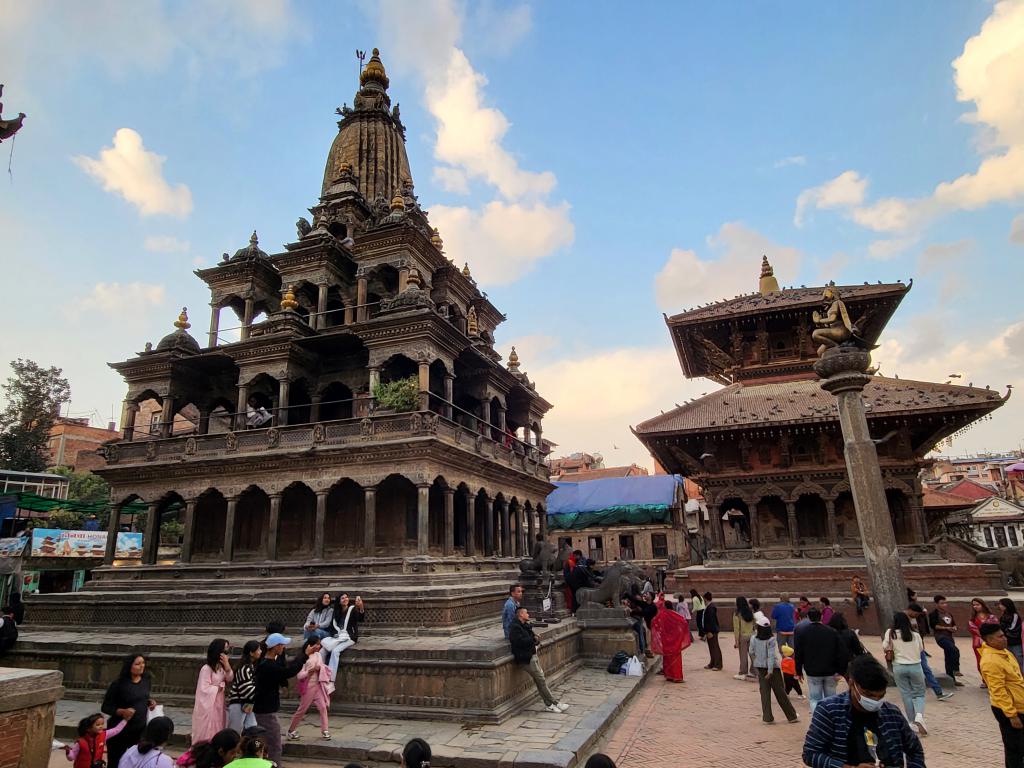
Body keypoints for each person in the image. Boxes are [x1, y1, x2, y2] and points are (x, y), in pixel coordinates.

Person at [803, 654, 925, 768]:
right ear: (852, 683)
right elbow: (811, 754)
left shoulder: (892, 714)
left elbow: (915, 750)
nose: (875, 701)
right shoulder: (829, 710)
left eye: (880, 696)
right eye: (869, 695)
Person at [253, 632, 305, 766]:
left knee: (263, 741)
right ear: (275, 647)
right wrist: (304, 656)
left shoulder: (267, 663)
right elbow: (288, 672)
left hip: (263, 709)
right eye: (281, 645)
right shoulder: (268, 665)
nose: (283, 648)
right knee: (275, 744)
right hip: (266, 711)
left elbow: (285, 670)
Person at [979, 622, 1024, 768]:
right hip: (1009, 710)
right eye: (1000, 637)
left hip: (1019, 705)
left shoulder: (1005, 653)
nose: (1004, 638)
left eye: (1003, 635)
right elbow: (998, 690)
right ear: (990, 640)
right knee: (1015, 749)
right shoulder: (990, 661)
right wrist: (1012, 715)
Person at [102, 653, 157, 768]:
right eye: (137, 664)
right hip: (120, 731)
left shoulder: (146, 680)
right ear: (129, 666)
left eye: (143, 663)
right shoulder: (118, 684)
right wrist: (122, 711)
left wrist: (149, 702)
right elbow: (106, 707)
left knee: (136, 761)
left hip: (139, 730)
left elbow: (142, 697)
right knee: (115, 762)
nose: (141, 666)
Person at [509, 606, 567, 712]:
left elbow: (533, 640)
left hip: (533, 655)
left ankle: (549, 705)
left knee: (540, 680)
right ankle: (555, 702)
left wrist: (534, 638)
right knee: (541, 680)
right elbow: (519, 642)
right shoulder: (515, 627)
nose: (528, 615)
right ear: (521, 614)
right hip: (526, 659)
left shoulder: (526, 625)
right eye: (526, 613)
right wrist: (532, 638)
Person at [883, 612, 928, 735]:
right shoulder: (915, 634)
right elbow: (921, 649)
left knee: (906, 694)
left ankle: (911, 721)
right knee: (919, 693)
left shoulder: (890, 633)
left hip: (899, 666)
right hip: (915, 665)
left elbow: (885, 646)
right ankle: (919, 715)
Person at [794, 608, 846, 714]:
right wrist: (841, 670)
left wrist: (798, 671)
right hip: (830, 670)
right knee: (831, 699)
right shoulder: (832, 632)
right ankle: (832, 721)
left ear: (808, 617)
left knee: (815, 699)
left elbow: (798, 653)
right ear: (821, 617)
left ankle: (818, 721)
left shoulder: (802, 632)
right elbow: (841, 652)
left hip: (812, 671)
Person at [748, 617, 799, 724]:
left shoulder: (753, 639)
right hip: (773, 670)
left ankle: (767, 717)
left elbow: (751, 652)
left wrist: (756, 662)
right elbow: (771, 656)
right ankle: (791, 716)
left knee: (764, 692)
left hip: (760, 668)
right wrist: (770, 671)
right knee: (780, 692)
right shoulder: (771, 639)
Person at [905, 603, 954, 703]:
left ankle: (939, 692)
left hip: (919, 647)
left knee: (926, 669)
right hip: (908, 649)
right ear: (910, 610)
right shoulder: (901, 618)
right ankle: (911, 695)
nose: (916, 615)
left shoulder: (917, 618)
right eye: (915, 613)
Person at [287, 638, 333, 741]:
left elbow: (322, 666)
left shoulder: (318, 655)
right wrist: (309, 672)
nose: (319, 646)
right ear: (310, 645)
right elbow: (299, 675)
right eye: (317, 644)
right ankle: (291, 730)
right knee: (302, 709)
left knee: (323, 707)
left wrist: (319, 668)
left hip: (318, 685)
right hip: (308, 686)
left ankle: (325, 730)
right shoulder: (303, 658)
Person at [192, 638, 234, 744]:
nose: (226, 654)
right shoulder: (206, 669)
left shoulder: (221, 668)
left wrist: (227, 666)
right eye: (224, 651)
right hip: (209, 704)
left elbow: (230, 678)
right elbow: (203, 689)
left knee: (219, 724)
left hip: (219, 703)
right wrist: (218, 688)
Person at [322, 593, 365, 680]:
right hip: (338, 637)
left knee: (335, 651)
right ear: (339, 602)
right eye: (342, 598)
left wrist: (361, 607)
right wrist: (334, 634)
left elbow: (360, 618)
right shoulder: (336, 612)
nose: (345, 599)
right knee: (323, 650)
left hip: (350, 637)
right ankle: (319, 674)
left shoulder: (352, 609)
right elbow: (332, 627)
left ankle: (329, 679)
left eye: (346, 597)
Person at [652, 598, 692, 682]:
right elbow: (684, 622)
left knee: (667, 657)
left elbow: (654, 622)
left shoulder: (662, 615)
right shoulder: (675, 615)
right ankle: (676, 676)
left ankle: (669, 675)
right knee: (676, 658)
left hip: (665, 639)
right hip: (674, 639)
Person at [929, 594, 964, 685]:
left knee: (948, 657)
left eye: (945, 603)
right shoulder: (933, 614)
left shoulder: (949, 614)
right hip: (941, 637)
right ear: (937, 604)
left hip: (950, 637)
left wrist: (954, 628)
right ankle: (956, 669)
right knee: (955, 650)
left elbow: (953, 624)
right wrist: (946, 628)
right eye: (942, 603)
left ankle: (951, 680)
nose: (945, 605)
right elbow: (934, 626)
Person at [228, 640, 262, 732]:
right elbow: (246, 690)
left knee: (252, 730)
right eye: (258, 650)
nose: (260, 652)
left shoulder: (250, 666)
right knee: (235, 733)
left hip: (246, 704)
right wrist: (261, 693)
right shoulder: (244, 668)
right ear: (251, 653)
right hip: (239, 704)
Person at [972, 597, 1002, 685]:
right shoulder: (973, 619)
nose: (975, 607)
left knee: (994, 660)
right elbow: (973, 629)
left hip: (991, 642)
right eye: (974, 605)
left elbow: (994, 626)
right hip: (978, 643)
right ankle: (985, 680)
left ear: (982, 605)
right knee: (981, 661)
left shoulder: (991, 617)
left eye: (977, 604)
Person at [733, 596, 756, 681]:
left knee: (743, 656)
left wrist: (736, 641)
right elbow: (754, 624)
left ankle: (743, 672)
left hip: (742, 636)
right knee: (753, 655)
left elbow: (736, 628)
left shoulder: (737, 614)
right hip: (751, 635)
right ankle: (754, 671)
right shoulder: (750, 612)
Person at [1000, 597, 1024, 672]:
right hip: (1007, 641)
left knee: (1018, 659)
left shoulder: (1015, 615)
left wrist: (1004, 631)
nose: (1000, 606)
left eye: (1001, 604)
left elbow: (1013, 628)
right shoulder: (1003, 615)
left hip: (1015, 642)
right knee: (1009, 659)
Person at [701, 592, 722, 671]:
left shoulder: (711, 608)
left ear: (705, 599)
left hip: (712, 631)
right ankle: (712, 663)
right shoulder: (709, 607)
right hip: (709, 631)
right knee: (711, 648)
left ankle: (718, 664)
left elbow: (711, 621)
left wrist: (710, 631)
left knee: (715, 647)